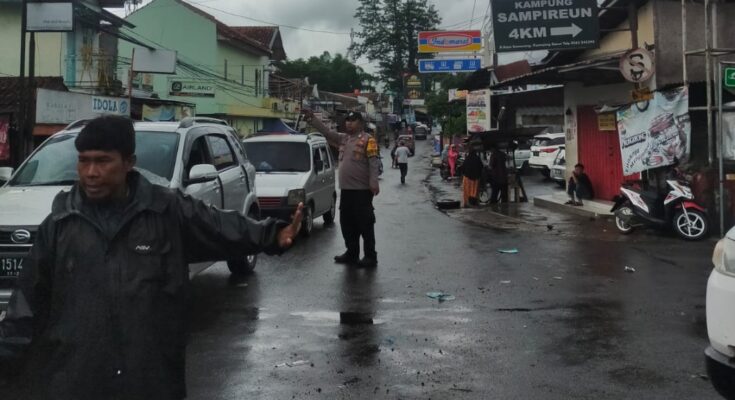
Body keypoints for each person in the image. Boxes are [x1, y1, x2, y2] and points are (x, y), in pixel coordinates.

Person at [0, 116, 303, 400]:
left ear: (129, 163)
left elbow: (220, 227)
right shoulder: (60, 224)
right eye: (83, 161)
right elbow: (26, 307)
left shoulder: (165, 211)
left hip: (149, 380)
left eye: (102, 161)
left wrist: (273, 234)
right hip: (76, 381)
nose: (91, 172)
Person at [304, 110, 381, 268]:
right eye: (347, 121)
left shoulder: (369, 140)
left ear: (360, 123)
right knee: (347, 223)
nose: (349, 123)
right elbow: (327, 132)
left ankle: (370, 256)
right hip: (346, 191)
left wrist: (374, 182)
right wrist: (312, 119)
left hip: (362, 191)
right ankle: (352, 253)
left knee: (365, 224)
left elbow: (373, 163)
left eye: (352, 121)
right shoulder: (344, 138)